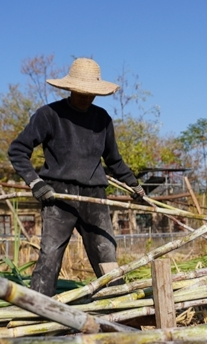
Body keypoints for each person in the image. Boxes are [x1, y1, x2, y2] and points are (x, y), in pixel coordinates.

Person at [8, 57, 144, 296]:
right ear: (70, 88)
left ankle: (119, 304)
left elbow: (113, 160)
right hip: (58, 196)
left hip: (95, 196)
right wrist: (35, 182)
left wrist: (133, 184)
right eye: (81, 92)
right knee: (50, 254)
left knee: (106, 253)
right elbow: (18, 150)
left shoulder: (102, 119)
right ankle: (40, 310)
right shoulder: (49, 115)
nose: (86, 96)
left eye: (91, 92)